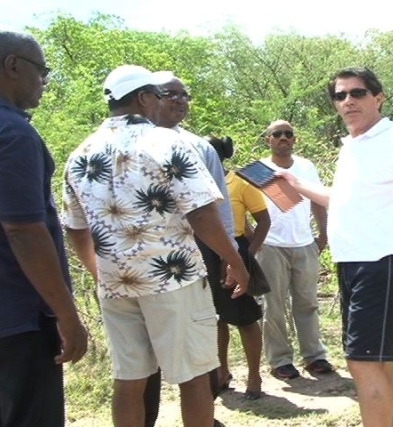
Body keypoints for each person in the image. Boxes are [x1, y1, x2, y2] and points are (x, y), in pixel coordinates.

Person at [62, 64, 248, 427]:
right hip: (172, 277)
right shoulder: (167, 141)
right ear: (144, 97)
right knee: (194, 375)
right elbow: (201, 213)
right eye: (158, 96)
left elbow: (75, 228)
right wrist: (234, 260)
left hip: (116, 284)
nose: (161, 103)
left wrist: (98, 272)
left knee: (129, 377)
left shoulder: (80, 154)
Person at [275, 67, 393, 427]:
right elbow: (341, 199)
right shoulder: (355, 144)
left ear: (378, 97)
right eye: (340, 95)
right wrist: (295, 183)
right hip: (355, 263)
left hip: (380, 262)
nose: (348, 101)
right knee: (379, 361)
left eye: (357, 93)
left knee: (363, 362)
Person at [0, 30, 88, 427]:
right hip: (17, 318)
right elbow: (24, 231)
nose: (44, 80)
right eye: (41, 70)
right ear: (13, 66)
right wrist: (67, 315)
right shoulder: (10, 133)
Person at [142, 72, 239, 427]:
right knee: (142, 351)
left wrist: (231, 254)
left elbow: (219, 206)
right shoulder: (129, 144)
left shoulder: (200, 146)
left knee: (201, 333)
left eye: (185, 95)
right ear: (148, 96)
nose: (180, 101)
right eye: (171, 94)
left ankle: (205, 413)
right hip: (143, 260)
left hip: (199, 249)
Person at [255, 119, 334, 380]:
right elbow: (241, 205)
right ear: (268, 139)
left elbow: (318, 201)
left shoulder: (306, 167)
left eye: (288, 134)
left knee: (308, 303)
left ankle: (314, 356)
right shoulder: (258, 169)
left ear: (294, 139)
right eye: (277, 134)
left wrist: (323, 234)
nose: (283, 138)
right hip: (271, 246)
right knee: (274, 306)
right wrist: (252, 240)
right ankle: (280, 360)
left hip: (304, 244)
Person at [207, 135, 270, 400]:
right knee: (216, 318)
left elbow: (263, 222)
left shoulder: (239, 182)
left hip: (235, 251)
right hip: (205, 253)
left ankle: (254, 376)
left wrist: (247, 256)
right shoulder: (194, 183)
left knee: (244, 316)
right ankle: (222, 372)